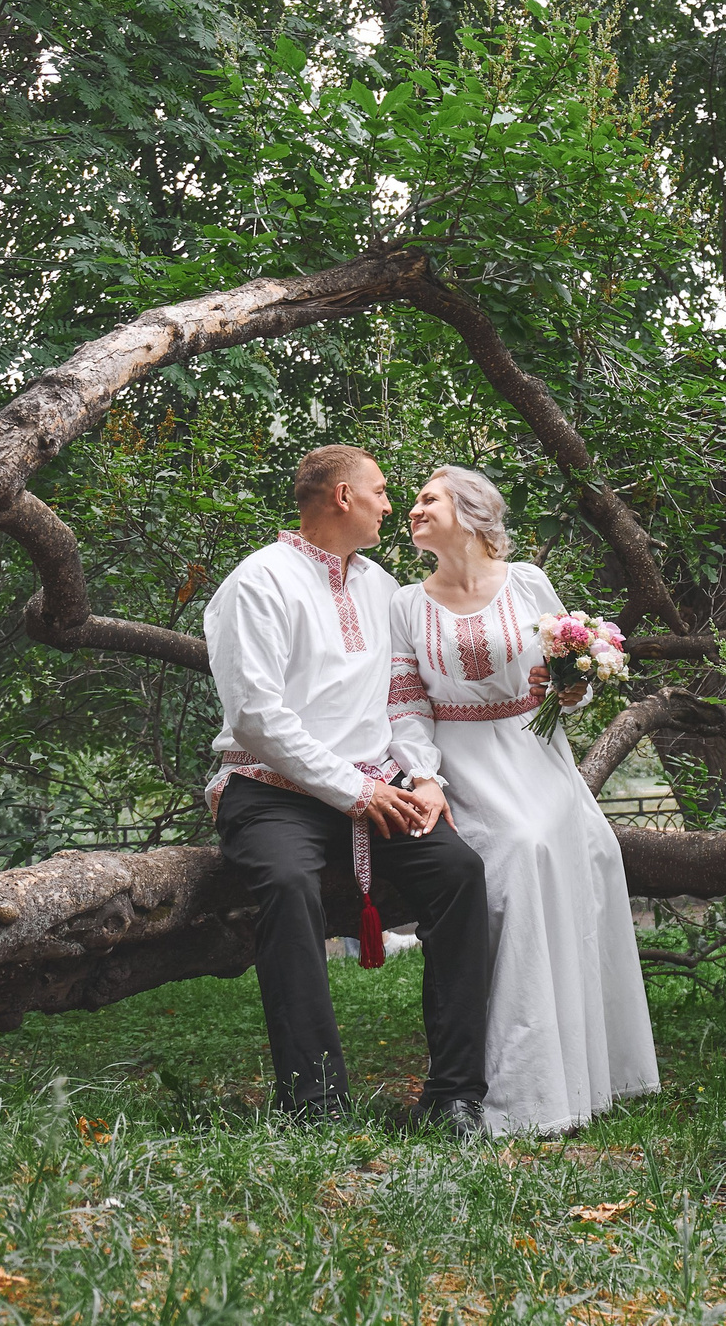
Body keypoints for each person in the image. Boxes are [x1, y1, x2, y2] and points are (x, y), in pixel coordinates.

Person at [202, 444, 495, 1133]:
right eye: (382, 491)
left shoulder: (380, 585)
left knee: (459, 871)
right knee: (285, 883)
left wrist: (421, 775)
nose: (391, 504)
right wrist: (352, 792)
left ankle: (455, 1095)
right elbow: (256, 716)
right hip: (270, 789)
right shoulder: (258, 582)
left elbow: (401, 698)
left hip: (377, 785)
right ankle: (315, 1101)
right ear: (342, 497)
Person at [387, 466, 659, 1136]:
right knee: (517, 849)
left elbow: (574, 670)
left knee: (577, 845)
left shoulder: (529, 583)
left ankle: (565, 1077)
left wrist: (574, 692)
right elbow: (406, 704)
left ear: (473, 513)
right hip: (460, 762)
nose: (413, 508)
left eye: (428, 498)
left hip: (535, 753)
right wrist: (423, 774)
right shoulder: (404, 604)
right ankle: (511, 1085)